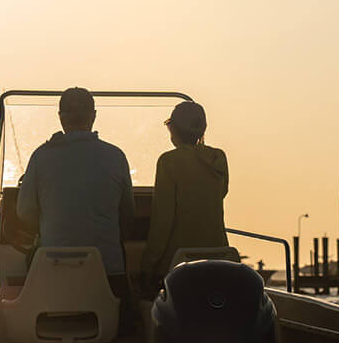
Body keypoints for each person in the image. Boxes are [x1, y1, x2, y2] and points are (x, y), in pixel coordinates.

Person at [15, 87, 135, 299]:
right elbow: (128, 212)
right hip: (107, 272)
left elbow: (24, 212)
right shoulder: (116, 156)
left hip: (54, 270)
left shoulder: (41, 157)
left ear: (61, 118)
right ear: (94, 116)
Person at [140, 100, 230, 290]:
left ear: (173, 129)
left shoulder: (168, 162)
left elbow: (162, 221)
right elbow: (221, 193)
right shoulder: (218, 158)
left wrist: (148, 264)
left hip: (179, 262)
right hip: (219, 258)